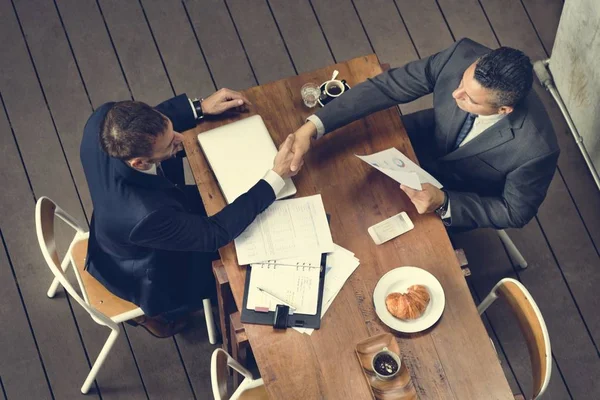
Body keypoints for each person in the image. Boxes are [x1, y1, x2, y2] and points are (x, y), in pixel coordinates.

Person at [80, 89, 299, 337]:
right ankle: (157, 317)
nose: (181, 139)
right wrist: (275, 178)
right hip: (148, 268)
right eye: (170, 143)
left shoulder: (104, 121)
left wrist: (200, 107)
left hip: (120, 223)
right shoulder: (146, 214)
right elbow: (214, 234)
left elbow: (152, 122)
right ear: (139, 163)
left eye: (172, 129)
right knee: (229, 271)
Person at [290, 38, 559, 231]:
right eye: (462, 82)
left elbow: (514, 212)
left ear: (503, 109)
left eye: (470, 99)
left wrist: (445, 202)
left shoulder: (536, 149)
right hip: (414, 144)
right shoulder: (460, 55)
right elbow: (388, 87)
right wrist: (312, 126)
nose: (456, 94)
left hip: (454, 197)